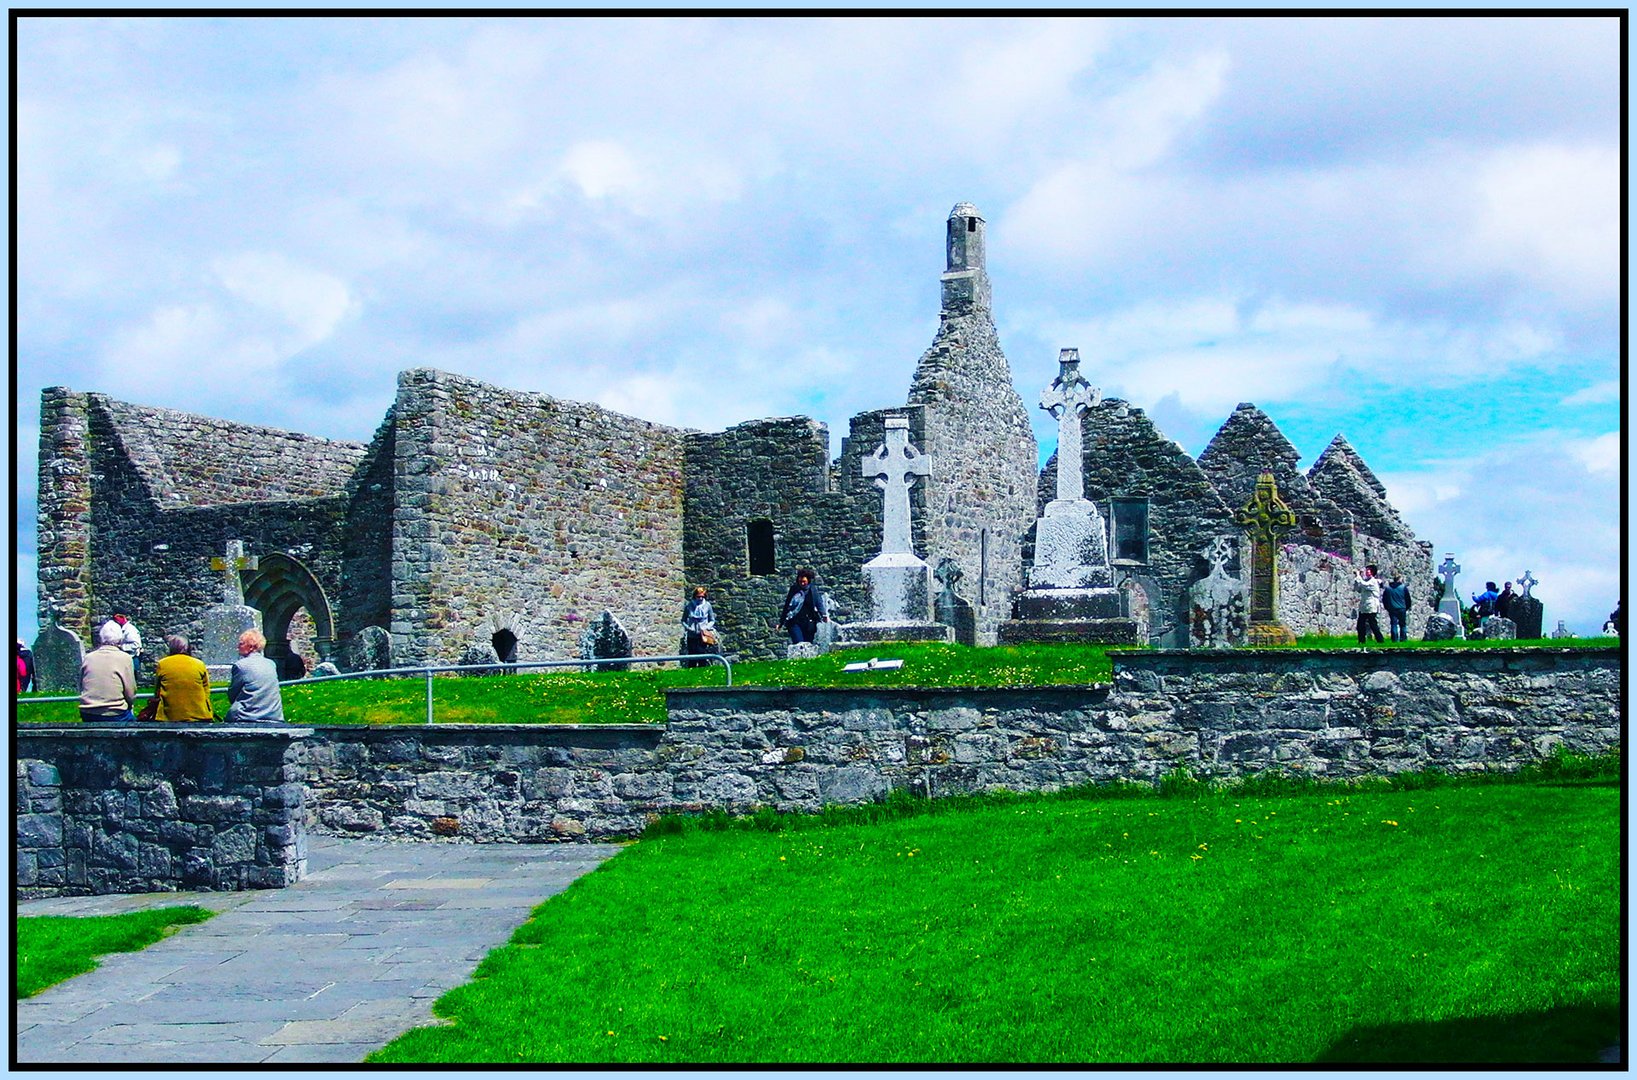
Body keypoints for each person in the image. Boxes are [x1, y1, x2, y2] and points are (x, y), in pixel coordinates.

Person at [79, 622, 136, 723]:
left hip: (88, 711)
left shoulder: (88, 658)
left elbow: (81, 685)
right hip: (114, 712)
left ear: (101, 638)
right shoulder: (125, 658)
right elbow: (130, 692)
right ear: (120, 638)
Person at [151, 635, 214, 722]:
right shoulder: (199, 664)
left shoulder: (162, 664)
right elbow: (206, 691)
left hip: (169, 716)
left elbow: (157, 691)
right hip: (200, 715)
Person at [227, 629, 285, 724]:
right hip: (274, 715)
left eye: (241, 644)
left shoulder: (240, 665)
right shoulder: (271, 664)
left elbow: (232, 693)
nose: (238, 646)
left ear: (251, 646)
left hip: (246, 715)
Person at [777, 568, 828, 645]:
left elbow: (818, 603)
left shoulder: (813, 590)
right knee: (799, 643)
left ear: (808, 581)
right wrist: (781, 623)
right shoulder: (794, 589)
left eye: (804, 581)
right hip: (794, 621)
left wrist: (823, 615)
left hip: (809, 622)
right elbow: (787, 606)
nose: (802, 583)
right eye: (800, 581)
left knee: (808, 644)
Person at [680, 586, 718, 669]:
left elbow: (712, 620)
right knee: (692, 655)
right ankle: (691, 672)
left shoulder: (707, 605)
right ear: (695, 596)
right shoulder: (689, 606)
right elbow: (683, 620)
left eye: (702, 597)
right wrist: (688, 628)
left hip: (703, 634)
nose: (700, 598)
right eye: (698, 596)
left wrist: (706, 627)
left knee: (702, 654)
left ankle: (702, 671)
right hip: (692, 634)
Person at [98, 610, 144, 679]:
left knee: (130, 680)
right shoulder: (121, 628)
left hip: (132, 658)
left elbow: (136, 644)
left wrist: (120, 647)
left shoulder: (130, 630)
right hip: (123, 658)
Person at [1353, 564, 1385, 644]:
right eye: (1366, 570)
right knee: (1360, 625)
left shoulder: (1373, 581)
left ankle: (1380, 640)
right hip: (1364, 606)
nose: (1366, 571)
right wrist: (1357, 579)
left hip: (1371, 606)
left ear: (1372, 572)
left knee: (1372, 624)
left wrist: (1358, 575)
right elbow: (1358, 589)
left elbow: (1364, 585)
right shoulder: (1366, 580)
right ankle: (1361, 641)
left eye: (1368, 570)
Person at [1380, 572, 1412, 643]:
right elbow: (1408, 599)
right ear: (1400, 579)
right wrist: (1407, 607)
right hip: (1402, 608)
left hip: (1392, 609)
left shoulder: (1388, 589)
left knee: (1393, 624)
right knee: (1402, 624)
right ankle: (1403, 639)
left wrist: (1387, 607)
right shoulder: (1403, 588)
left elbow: (1384, 599)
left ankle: (1394, 639)